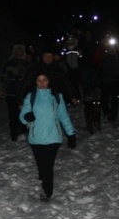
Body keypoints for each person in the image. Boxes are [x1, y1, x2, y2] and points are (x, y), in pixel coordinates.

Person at [19, 67, 76, 201]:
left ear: (49, 81)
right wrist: (26, 116)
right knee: (41, 163)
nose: (42, 83)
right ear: (35, 82)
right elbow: (22, 114)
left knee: (48, 165)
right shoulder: (31, 97)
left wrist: (71, 134)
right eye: (39, 80)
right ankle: (42, 175)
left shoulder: (57, 97)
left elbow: (63, 116)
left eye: (44, 80)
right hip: (36, 137)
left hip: (53, 137)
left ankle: (47, 191)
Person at [17, 44, 78, 108]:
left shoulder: (58, 69)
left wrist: (73, 96)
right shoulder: (33, 68)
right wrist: (20, 100)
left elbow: (66, 83)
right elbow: (24, 83)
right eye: (46, 56)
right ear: (42, 56)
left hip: (54, 100)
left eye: (50, 56)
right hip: (37, 100)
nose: (48, 58)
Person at [0, 44, 30, 141]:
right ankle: (14, 135)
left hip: (23, 94)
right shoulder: (8, 63)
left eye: (20, 51)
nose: (18, 53)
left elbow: (30, 79)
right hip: (10, 93)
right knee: (13, 115)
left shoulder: (27, 64)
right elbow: (2, 77)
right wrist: (1, 89)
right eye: (17, 51)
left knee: (23, 113)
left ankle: (23, 133)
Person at [97, 37, 119, 122]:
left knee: (114, 100)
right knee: (105, 99)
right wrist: (99, 78)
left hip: (115, 81)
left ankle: (113, 116)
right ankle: (107, 111)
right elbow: (100, 67)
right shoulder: (104, 55)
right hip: (106, 80)